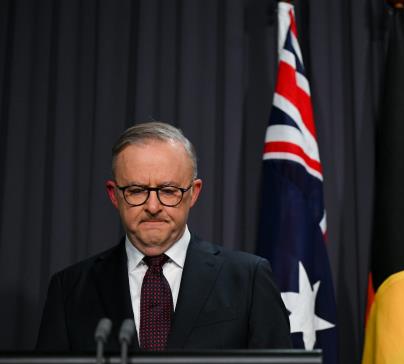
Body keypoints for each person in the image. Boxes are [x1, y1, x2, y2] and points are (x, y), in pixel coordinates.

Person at [36, 121, 292, 351]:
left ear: (193, 193)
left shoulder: (247, 279)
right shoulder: (70, 289)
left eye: (168, 191)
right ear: (114, 195)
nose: (153, 206)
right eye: (136, 190)